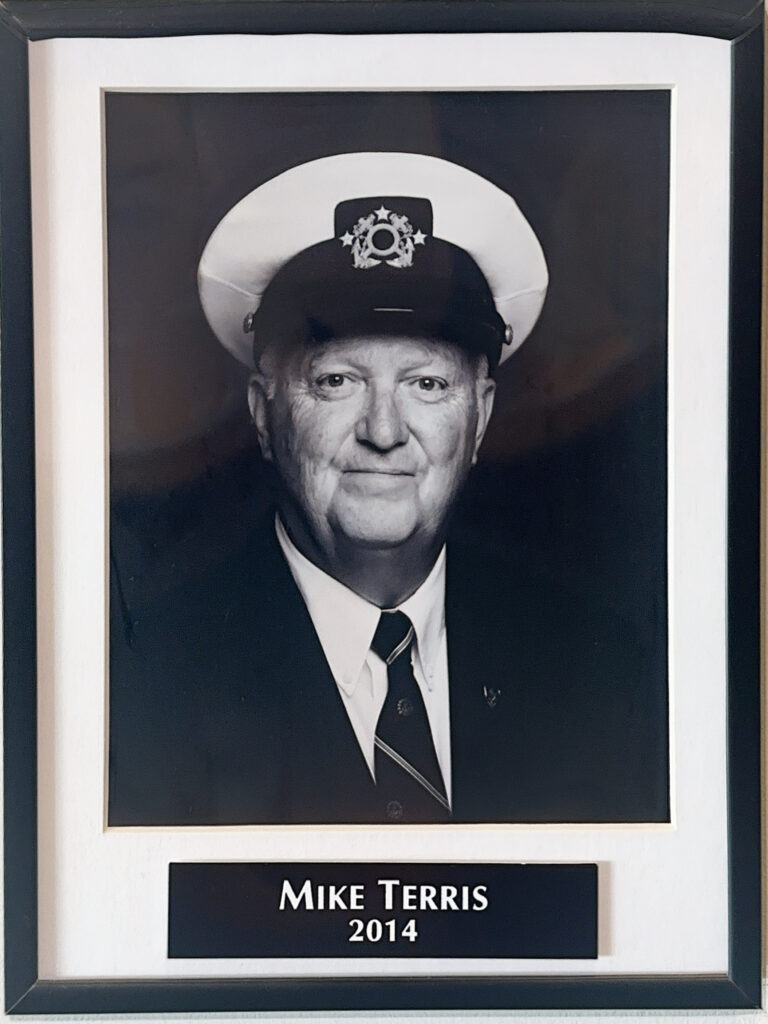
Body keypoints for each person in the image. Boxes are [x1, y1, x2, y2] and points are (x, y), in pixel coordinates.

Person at [108, 153, 668, 826]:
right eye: (336, 381)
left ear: (481, 416)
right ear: (263, 414)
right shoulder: (146, 680)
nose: (383, 431)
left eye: (427, 384)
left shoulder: (596, 668)